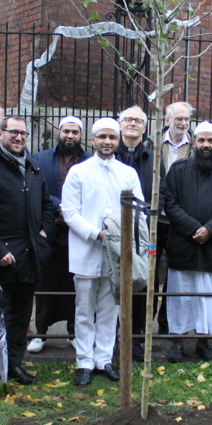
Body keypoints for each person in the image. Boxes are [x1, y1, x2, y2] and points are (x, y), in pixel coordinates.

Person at [0, 116, 56, 386]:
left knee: (20, 317)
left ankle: (15, 365)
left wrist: (43, 236)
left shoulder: (33, 168)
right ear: (1, 133)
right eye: (13, 132)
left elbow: (47, 206)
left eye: (23, 133)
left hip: (29, 256)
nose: (19, 138)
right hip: (1, 260)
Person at [61, 118, 143, 386]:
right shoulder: (78, 172)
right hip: (86, 249)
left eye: (112, 137)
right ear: (93, 140)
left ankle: (103, 359)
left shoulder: (127, 173)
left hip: (116, 253)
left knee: (110, 308)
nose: (107, 142)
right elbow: (69, 211)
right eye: (102, 137)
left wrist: (127, 238)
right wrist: (95, 233)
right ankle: (84, 360)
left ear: (118, 141)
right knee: (84, 308)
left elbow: (138, 210)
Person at [162, 121, 212, 362]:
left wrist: (211, 229)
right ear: (194, 142)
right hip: (184, 244)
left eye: (211, 141)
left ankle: (204, 342)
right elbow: (170, 203)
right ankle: (177, 341)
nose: (206, 145)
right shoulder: (178, 169)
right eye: (202, 140)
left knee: (209, 297)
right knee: (180, 296)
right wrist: (195, 228)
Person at [30, 116, 91, 353]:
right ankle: (41, 333)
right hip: (50, 227)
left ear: (81, 135)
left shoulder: (89, 160)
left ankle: (73, 331)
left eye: (75, 132)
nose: (70, 136)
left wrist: (73, 214)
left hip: (79, 230)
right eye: (66, 131)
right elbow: (38, 188)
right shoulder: (41, 158)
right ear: (59, 132)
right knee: (45, 282)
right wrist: (61, 208)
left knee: (75, 283)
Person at [114, 105, 155, 361]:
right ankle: (113, 336)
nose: (132, 124)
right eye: (127, 119)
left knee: (143, 282)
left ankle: (137, 337)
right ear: (120, 125)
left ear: (144, 127)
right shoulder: (110, 154)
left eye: (138, 120)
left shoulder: (152, 158)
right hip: (114, 231)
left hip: (144, 233)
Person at [154, 101, 195, 335]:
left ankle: (167, 322)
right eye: (178, 118)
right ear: (167, 120)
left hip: (180, 222)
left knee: (175, 274)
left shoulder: (195, 147)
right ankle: (146, 321)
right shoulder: (154, 144)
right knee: (150, 271)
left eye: (186, 119)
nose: (182, 123)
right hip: (156, 221)